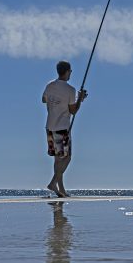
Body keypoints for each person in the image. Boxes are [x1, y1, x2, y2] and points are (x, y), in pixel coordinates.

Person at [42, 61, 86, 197]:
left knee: (57, 159)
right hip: (62, 128)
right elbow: (73, 111)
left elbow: (44, 100)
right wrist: (80, 99)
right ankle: (53, 182)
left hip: (50, 126)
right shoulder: (70, 90)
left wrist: (55, 101)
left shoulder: (50, 85)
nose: (71, 73)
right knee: (66, 158)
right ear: (67, 72)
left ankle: (61, 190)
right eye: (70, 71)